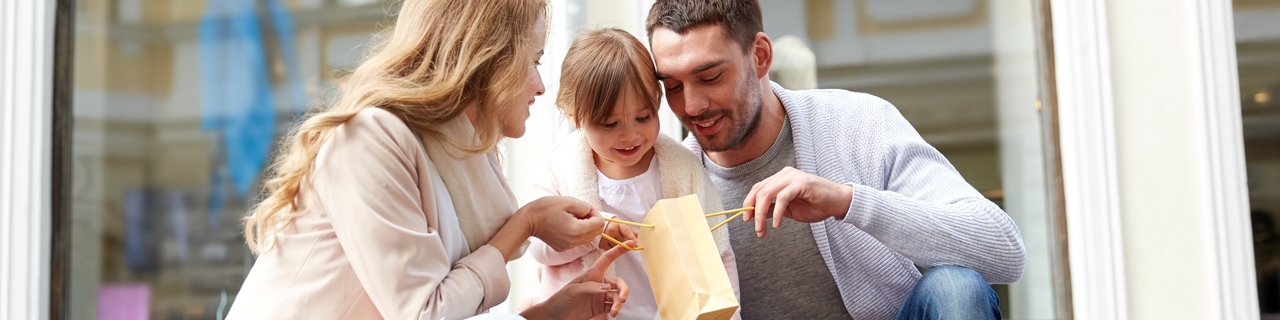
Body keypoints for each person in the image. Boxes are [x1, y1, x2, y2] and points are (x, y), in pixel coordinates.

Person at [226, 0, 634, 319]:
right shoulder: (370, 141)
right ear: (490, 58)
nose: (541, 86)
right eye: (535, 60)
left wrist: (548, 315)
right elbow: (426, 312)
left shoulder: (459, 153)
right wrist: (526, 223)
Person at [644, 0, 1027, 319]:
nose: (691, 105)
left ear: (760, 56)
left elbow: (1004, 251)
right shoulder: (665, 183)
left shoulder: (858, 123)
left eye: (710, 77)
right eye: (673, 87)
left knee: (955, 290)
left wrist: (847, 202)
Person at [525, 28, 740, 320]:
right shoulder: (559, 169)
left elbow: (718, 252)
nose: (630, 135)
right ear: (574, 116)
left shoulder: (682, 168)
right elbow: (540, 249)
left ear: (657, 103)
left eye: (643, 117)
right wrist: (594, 234)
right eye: (609, 124)